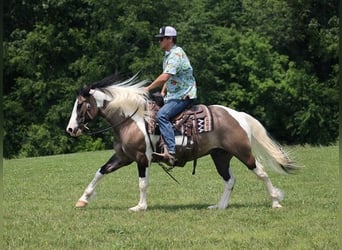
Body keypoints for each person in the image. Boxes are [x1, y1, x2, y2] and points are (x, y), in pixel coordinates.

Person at [145, 26, 197, 166]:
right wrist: (163, 92)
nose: (159, 41)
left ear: (170, 39)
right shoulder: (169, 54)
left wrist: (148, 88)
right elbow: (171, 78)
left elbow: (165, 76)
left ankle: (171, 152)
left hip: (184, 95)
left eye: (161, 39)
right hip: (174, 95)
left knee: (162, 115)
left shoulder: (176, 54)